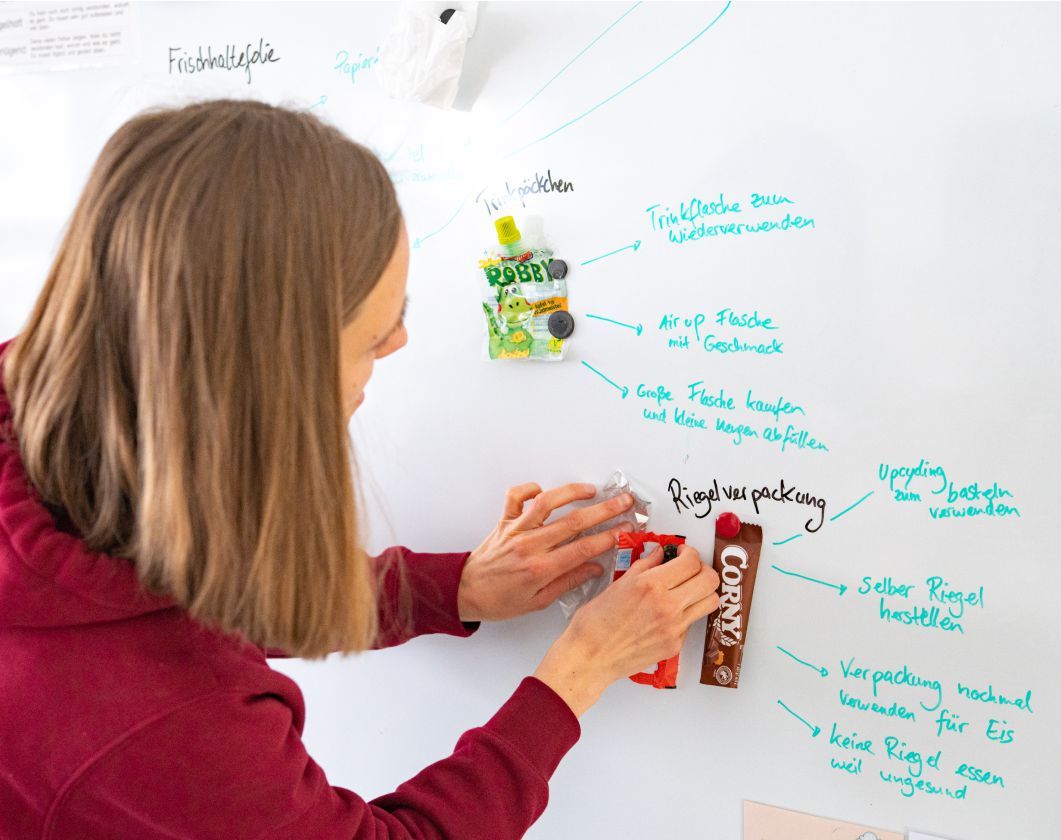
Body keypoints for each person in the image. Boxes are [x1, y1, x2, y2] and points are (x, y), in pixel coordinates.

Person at [0, 99, 719, 839]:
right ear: (276, 378)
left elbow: (163, 585)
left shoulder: (60, 421)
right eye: (375, 337)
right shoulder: (165, 720)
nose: (403, 339)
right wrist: (581, 670)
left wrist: (454, 589)